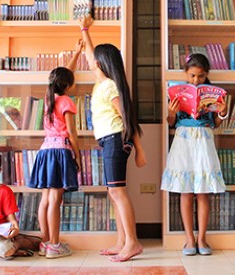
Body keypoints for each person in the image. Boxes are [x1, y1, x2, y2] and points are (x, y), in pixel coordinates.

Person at [78, 15, 147, 262]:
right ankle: (122, 241)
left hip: (116, 140)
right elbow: (89, 53)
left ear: (101, 63)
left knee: (118, 192)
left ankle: (133, 243)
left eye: (94, 60)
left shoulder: (109, 86)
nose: (90, 61)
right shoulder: (102, 82)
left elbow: (127, 118)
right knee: (114, 192)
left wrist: (139, 149)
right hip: (109, 141)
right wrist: (84, 29)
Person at [161, 53, 228, 256]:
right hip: (183, 141)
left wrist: (222, 112)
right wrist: (171, 113)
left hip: (204, 142)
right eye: (192, 76)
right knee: (185, 191)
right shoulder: (177, 91)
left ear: (206, 74)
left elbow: (215, 124)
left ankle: (202, 239)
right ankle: (189, 239)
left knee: (203, 192)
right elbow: (171, 122)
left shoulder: (213, 93)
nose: (196, 80)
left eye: (200, 76)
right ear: (185, 73)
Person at [27, 44, 84, 259]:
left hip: (44, 152)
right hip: (60, 152)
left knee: (45, 199)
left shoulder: (49, 98)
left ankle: (45, 243)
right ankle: (55, 244)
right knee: (55, 200)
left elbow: (62, 75)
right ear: (68, 85)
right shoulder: (67, 101)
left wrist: (76, 54)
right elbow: (71, 132)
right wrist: (77, 155)